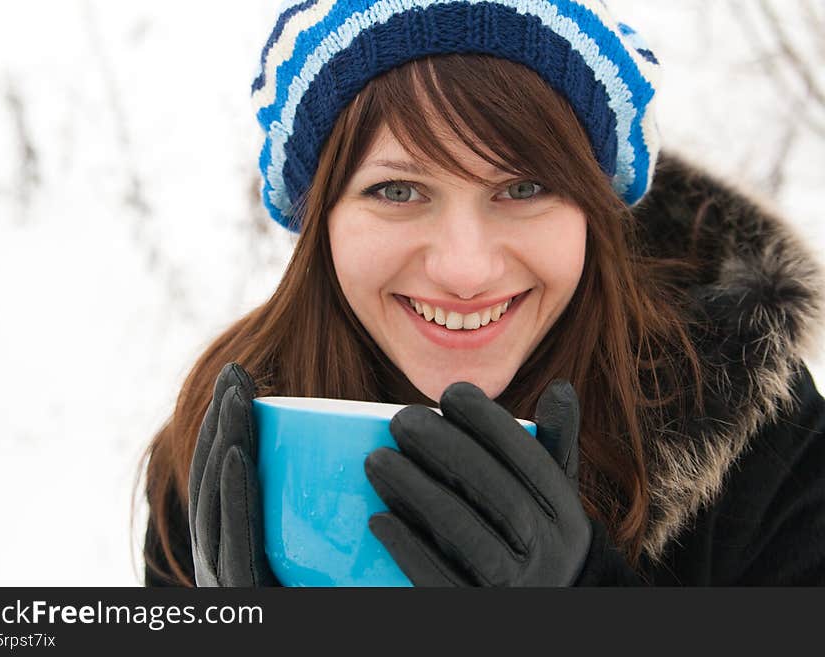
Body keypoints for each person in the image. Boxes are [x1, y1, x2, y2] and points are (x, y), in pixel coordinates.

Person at [140, 0, 825, 586]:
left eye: (523, 188)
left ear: (593, 208)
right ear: (322, 219)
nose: (465, 270)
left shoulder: (756, 434)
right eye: (397, 190)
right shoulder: (235, 447)